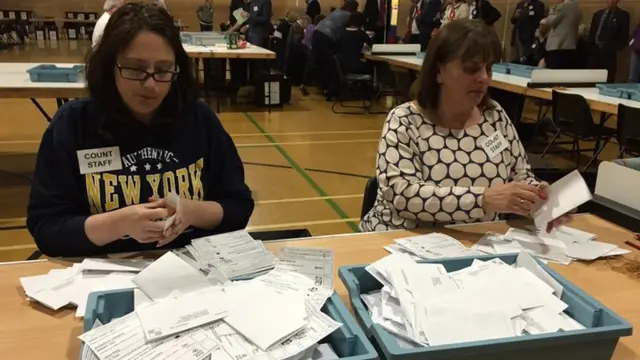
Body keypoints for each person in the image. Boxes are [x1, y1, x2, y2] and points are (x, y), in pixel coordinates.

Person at [27, 3, 254, 258]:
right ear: (109, 66)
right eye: (135, 69)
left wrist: (191, 212)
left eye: (163, 70)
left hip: (189, 276)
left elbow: (239, 206)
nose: (150, 85)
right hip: (100, 275)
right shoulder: (72, 125)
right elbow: (46, 229)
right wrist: (119, 223)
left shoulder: (200, 120)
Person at [359, 19, 571, 233]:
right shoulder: (404, 120)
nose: (484, 78)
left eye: (488, 68)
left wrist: (537, 195)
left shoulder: (494, 115)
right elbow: (404, 196)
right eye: (471, 68)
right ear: (438, 71)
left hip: (477, 245)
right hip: (398, 243)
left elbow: (519, 174)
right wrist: (483, 199)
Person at [304, 0, 359, 100]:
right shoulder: (348, 15)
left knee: (314, 58)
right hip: (328, 37)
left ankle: (304, 83)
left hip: (318, 32)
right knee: (330, 63)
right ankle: (330, 89)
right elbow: (347, 30)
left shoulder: (337, 12)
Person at [587, 0, 630, 83]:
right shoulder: (598, 14)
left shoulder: (623, 15)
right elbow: (592, 33)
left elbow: (624, 37)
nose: (611, 1)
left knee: (608, 79)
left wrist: (611, 48)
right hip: (594, 53)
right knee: (591, 81)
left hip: (609, 54)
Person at [542, 0, 581, 69]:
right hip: (570, 46)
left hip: (557, 47)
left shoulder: (562, 6)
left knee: (553, 75)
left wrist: (551, 11)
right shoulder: (577, 7)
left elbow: (551, 22)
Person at [285, 15, 311, 85]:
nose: (307, 26)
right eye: (307, 24)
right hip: (294, 54)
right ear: (304, 21)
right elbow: (297, 42)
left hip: (292, 53)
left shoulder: (295, 26)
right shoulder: (297, 28)